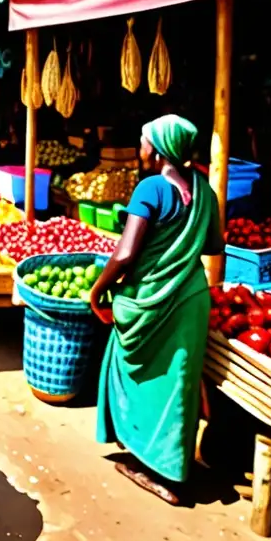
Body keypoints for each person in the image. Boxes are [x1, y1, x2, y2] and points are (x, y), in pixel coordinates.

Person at [90, 115, 223, 505]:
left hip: (148, 300)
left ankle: (165, 476)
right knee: (177, 386)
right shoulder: (205, 191)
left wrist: (97, 291)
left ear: (160, 149)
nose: (140, 148)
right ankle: (171, 464)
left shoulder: (150, 188)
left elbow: (127, 252)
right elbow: (214, 246)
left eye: (145, 141)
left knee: (137, 379)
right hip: (191, 299)